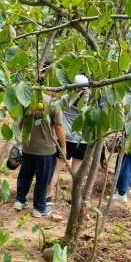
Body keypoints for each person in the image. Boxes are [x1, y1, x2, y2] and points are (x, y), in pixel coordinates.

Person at [14, 96, 65, 218]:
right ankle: (39, 207)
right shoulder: (53, 104)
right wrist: (64, 147)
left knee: (25, 174)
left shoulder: (26, 100)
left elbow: (19, 122)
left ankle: (19, 201)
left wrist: (17, 141)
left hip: (28, 146)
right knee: (43, 178)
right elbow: (58, 127)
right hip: (45, 149)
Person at [46, 75, 90, 207]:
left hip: (65, 139)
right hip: (83, 139)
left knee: (56, 170)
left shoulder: (66, 99)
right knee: (77, 173)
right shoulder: (90, 102)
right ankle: (74, 200)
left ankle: (47, 197)